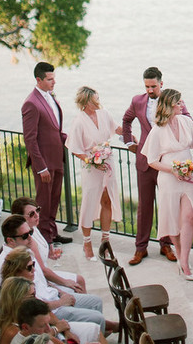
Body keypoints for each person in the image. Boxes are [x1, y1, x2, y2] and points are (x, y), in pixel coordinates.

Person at [122, 66, 193, 265]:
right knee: (144, 206)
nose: (150, 90)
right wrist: (128, 143)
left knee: (169, 206)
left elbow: (189, 122)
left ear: (161, 83)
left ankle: (166, 245)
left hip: (169, 164)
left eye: (153, 86)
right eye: (146, 86)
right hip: (146, 162)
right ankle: (140, 248)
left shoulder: (174, 101)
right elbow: (126, 120)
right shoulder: (137, 101)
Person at [0, 218, 107, 334]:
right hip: (52, 309)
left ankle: (98, 333)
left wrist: (60, 292)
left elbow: (43, 279)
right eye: (25, 236)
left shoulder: (24, 252)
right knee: (98, 318)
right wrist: (61, 302)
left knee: (96, 301)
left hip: (53, 296)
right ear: (11, 241)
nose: (30, 238)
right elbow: (34, 307)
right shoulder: (13, 264)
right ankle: (97, 333)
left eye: (30, 232)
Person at [141, 88, 193, 281]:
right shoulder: (157, 130)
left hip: (189, 176)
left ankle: (185, 261)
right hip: (169, 179)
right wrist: (173, 170)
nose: (182, 105)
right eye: (178, 102)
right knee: (173, 219)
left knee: (189, 217)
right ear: (169, 106)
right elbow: (152, 160)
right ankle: (181, 258)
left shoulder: (186, 122)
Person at [65, 88, 122, 261]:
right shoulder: (79, 121)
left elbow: (117, 128)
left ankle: (105, 241)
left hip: (107, 162)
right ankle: (87, 242)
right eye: (95, 99)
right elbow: (75, 148)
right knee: (89, 202)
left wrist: (131, 135)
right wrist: (91, 160)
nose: (99, 102)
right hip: (91, 165)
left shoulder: (104, 113)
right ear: (87, 102)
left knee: (107, 199)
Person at [21, 63, 72, 247]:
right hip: (44, 163)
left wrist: (72, 140)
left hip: (57, 158)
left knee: (54, 199)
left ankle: (52, 232)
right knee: (43, 202)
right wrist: (41, 167)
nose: (54, 82)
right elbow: (30, 139)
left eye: (53, 78)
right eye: (50, 79)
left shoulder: (50, 97)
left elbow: (55, 129)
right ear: (39, 79)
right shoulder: (31, 103)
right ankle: (45, 240)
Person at [10, 198, 86, 293]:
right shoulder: (28, 239)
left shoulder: (34, 228)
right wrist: (65, 282)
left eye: (37, 210)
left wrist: (49, 254)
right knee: (79, 282)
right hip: (40, 279)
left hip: (44, 274)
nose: (37, 215)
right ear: (20, 218)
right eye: (31, 214)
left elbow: (39, 255)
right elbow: (43, 270)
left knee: (79, 280)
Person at [0, 277, 104, 344]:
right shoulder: (12, 332)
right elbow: (43, 337)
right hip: (52, 336)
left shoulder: (33, 307)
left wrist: (66, 331)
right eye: (32, 295)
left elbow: (49, 315)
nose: (36, 297)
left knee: (94, 329)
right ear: (19, 299)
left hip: (56, 334)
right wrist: (56, 329)